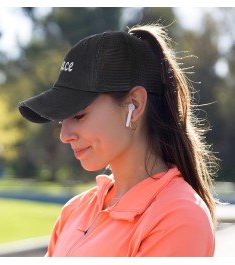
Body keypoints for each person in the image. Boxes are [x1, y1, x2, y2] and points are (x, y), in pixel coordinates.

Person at [18, 24, 218, 257]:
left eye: (79, 115)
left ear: (135, 104)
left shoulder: (179, 218)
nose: (65, 135)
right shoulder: (74, 211)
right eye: (62, 120)